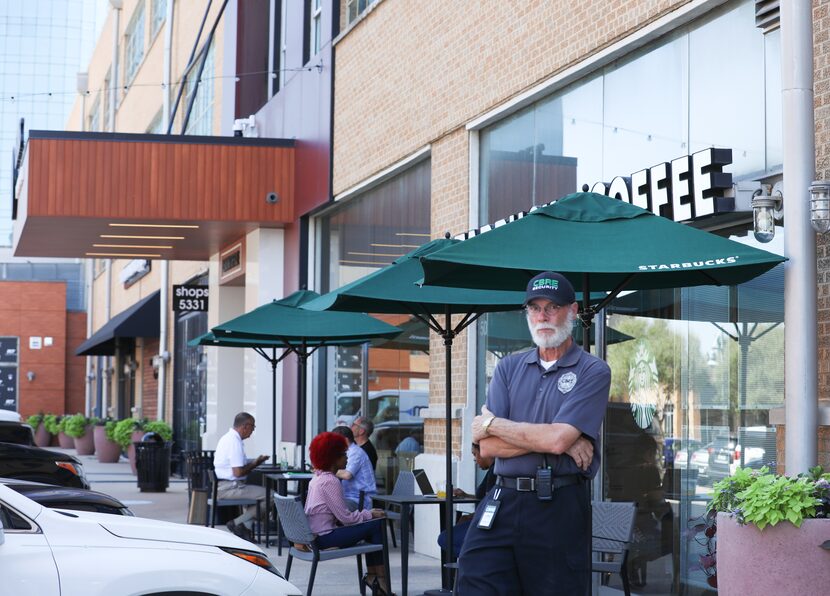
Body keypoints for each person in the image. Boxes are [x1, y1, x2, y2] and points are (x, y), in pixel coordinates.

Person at [457, 271, 610, 595]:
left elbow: (555, 439)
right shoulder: (508, 367)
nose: (543, 316)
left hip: (558, 503)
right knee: (474, 581)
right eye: (535, 308)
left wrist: (493, 424)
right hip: (503, 498)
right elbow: (486, 449)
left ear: (572, 310)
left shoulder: (592, 370)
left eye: (552, 307)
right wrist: (558, 441)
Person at [306, 431, 391, 594]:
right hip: (325, 538)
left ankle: (375, 578)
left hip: (317, 535)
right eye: (344, 455)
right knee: (376, 525)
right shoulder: (330, 481)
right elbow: (346, 518)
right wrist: (370, 513)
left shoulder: (317, 478)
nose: (347, 458)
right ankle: (380, 581)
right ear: (333, 459)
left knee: (371, 526)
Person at [213, 412, 269, 542]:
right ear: (245, 426)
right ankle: (238, 523)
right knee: (270, 495)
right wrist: (256, 463)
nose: (252, 431)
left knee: (262, 494)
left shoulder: (228, 438)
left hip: (224, 486)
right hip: (230, 488)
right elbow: (237, 473)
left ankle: (244, 528)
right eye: (253, 427)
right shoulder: (234, 442)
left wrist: (254, 463)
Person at [437, 442, 496, 557]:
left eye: (475, 454)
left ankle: (472, 559)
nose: (474, 459)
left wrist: (471, 516)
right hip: (480, 520)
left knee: (445, 539)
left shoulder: (494, 473)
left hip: (485, 524)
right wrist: (466, 495)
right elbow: (485, 498)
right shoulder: (493, 470)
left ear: (484, 452)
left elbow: (490, 505)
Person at [332, 425, 378, 509]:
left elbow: (347, 475)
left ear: (345, 440)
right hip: (348, 497)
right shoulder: (346, 452)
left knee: (331, 507)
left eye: (335, 441)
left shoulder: (356, 452)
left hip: (359, 501)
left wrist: (329, 470)